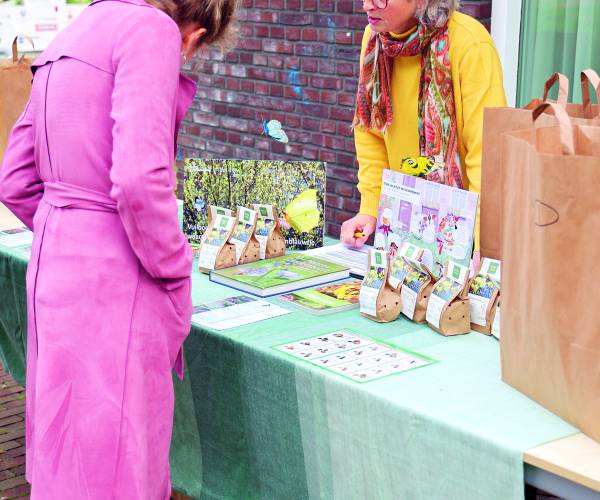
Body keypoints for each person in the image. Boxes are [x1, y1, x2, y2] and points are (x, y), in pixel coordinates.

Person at [0, 0, 237, 497]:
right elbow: (137, 179)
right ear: (194, 33)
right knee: (121, 465)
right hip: (119, 277)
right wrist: (174, 268)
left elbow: (16, 179)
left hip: (54, 265)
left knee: (67, 458)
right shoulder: (151, 31)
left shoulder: (78, 27)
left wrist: (68, 230)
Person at [340, 0, 506, 267]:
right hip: (404, 226)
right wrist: (370, 209)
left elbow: (488, 152)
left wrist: (484, 243)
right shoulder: (375, 41)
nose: (367, 6)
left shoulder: (469, 43)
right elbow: (371, 131)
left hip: (465, 235)